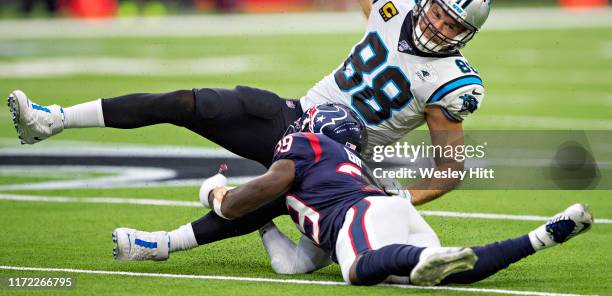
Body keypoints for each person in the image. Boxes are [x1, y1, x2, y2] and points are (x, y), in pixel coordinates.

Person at [9, 0, 489, 208]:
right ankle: (53, 121)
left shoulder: (451, 83)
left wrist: (402, 198)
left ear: (466, 35)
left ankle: (207, 224)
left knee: (259, 216)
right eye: (440, 13)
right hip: (296, 117)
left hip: (339, 161)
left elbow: (451, 167)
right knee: (188, 103)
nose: (439, 27)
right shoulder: (395, 3)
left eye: (454, 26)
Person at [111, 103, 593, 287]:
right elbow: (293, 264)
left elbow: (247, 197)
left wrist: (217, 193)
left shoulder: (304, 146)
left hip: (360, 216)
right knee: (455, 272)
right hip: (385, 211)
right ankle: (540, 237)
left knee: (359, 271)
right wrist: (261, 221)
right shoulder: (339, 168)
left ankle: (419, 259)